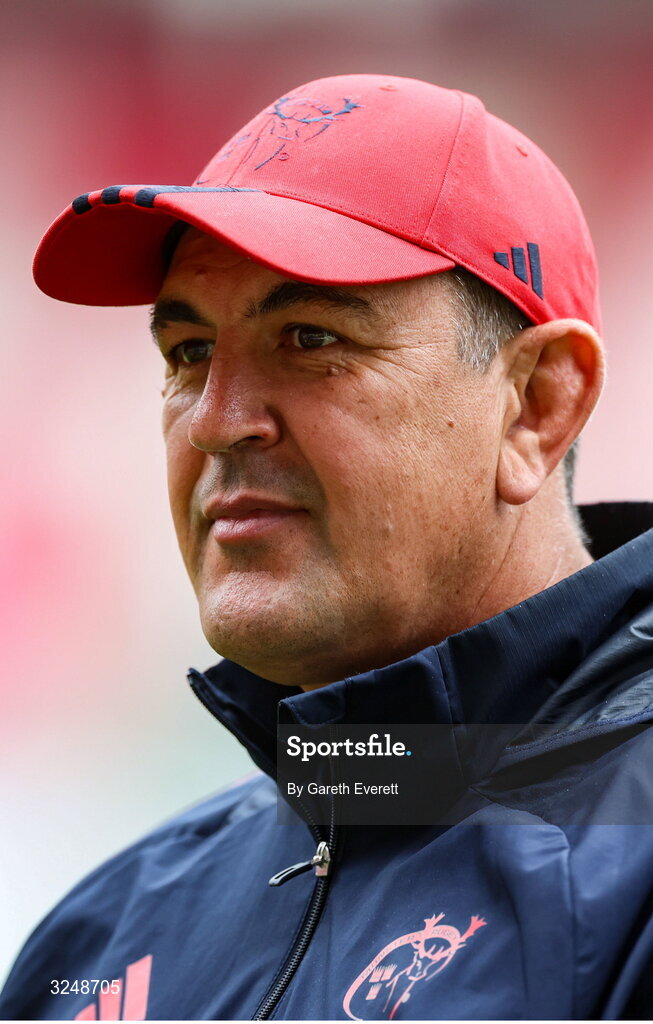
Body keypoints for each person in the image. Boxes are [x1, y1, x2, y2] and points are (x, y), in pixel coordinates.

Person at [1, 73, 652, 1022]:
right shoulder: (102, 935)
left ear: (536, 405)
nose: (218, 422)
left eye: (310, 336)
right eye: (187, 354)